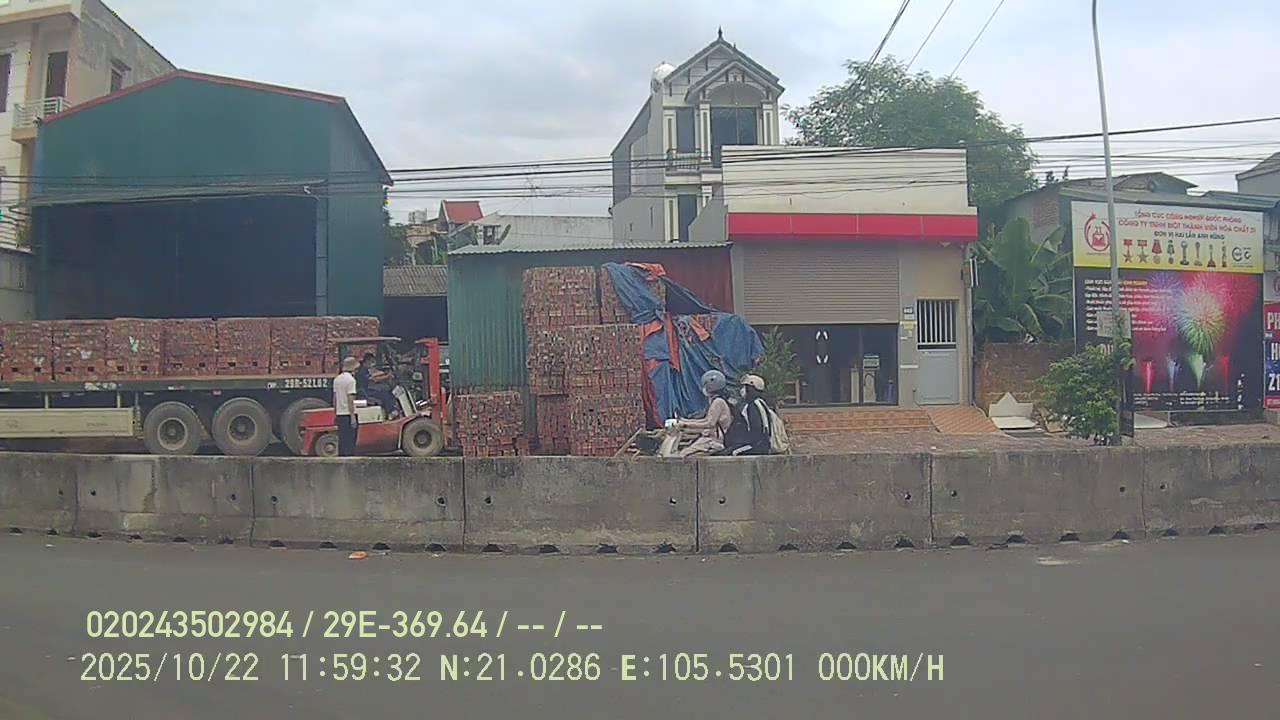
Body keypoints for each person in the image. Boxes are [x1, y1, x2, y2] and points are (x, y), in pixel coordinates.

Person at [677, 370, 734, 457]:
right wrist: (685, 421)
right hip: (711, 438)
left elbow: (709, 423)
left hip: (714, 441)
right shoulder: (717, 401)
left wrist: (685, 424)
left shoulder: (718, 402)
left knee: (683, 455)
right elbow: (706, 420)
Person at [721, 374, 773, 456]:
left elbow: (756, 430)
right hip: (758, 444)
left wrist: (742, 442)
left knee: (731, 453)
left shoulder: (754, 405)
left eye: (746, 387)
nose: (743, 390)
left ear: (751, 388)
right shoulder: (758, 403)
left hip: (756, 445)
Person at [356, 352, 397, 418]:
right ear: (367, 360)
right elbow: (374, 379)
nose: (373, 364)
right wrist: (387, 376)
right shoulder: (362, 370)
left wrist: (383, 373)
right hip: (364, 392)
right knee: (384, 394)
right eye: (372, 361)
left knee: (384, 389)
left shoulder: (364, 369)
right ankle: (390, 412)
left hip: (366, 389)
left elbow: (372, 375)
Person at [333, 357, 359, 456]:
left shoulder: (337, 379)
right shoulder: (351, 380)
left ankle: (341, 459)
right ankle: (350, 459)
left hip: (340, 414)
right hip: (348, 414)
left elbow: (334, 399)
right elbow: (350, 399)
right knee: (351, 441)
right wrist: (353, 417)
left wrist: (335, 412)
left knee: (342, 440)